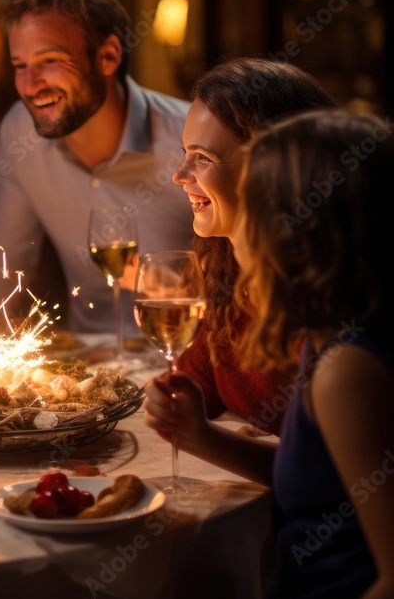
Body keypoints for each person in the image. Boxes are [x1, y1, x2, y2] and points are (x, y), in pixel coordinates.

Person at [144, 110, 394, 598]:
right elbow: (326, 489)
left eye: (254, 206)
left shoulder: (348, 371)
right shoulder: (324, 339)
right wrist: (201, 437)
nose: (237, 230)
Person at [0, 0, 194, 335]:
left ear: (108, 56)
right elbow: (1, 255)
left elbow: (252, 284)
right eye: (20, 66)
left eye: (50, 61)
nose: (30, 85)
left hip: (188, 358)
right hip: (86, 367)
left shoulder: (190, 138)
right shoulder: (20, 131)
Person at [171, 57, 336, 435]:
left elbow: (321, 473)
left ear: (271, 168)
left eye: (202, 157)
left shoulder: (326, 303)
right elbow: (196, 389)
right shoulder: (225, 267)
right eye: (184, 153)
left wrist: (203, 439)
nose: (179, 176)